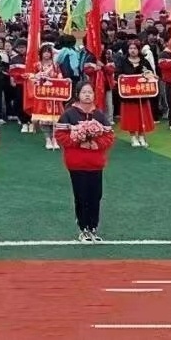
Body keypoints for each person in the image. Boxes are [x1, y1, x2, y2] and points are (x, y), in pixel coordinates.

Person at [55, 81, 116, 242]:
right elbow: (60, 135)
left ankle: (93, 227)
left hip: (95, 163)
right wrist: (77, 140)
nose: (87, 95)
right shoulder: (69, 114)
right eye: (84, 92)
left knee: (96, 196)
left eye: (90, 92)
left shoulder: (100, 115)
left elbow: (109, 136)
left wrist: (97, 144)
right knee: (81, 196)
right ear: (78, 94)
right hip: (77, 163)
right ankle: (83, 229)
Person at [117, 40, 155, 147]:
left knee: (142, 116)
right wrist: (120, 77)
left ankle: (142, 136)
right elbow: (118, 74)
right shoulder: (123, 61)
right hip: (129, 95)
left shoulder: (144, 62)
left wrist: (148, 75)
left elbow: (151, 75)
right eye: (130, 48)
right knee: (131, 117)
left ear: (139, 50)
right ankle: (133, 137)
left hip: (142, 94)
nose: (132, 50)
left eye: (135, 48)